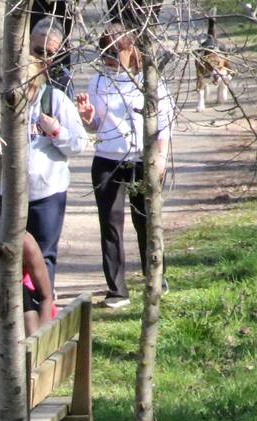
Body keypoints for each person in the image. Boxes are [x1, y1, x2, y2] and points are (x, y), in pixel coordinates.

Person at [75, 28, 173, 307]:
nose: (108, 59)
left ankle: (154, 274)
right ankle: (117, 290)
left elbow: (165, 122)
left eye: (114, 53)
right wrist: (87, 119)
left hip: (144, 160)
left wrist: (161, 157)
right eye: (104, 53)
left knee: (146, 219)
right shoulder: (97, 82)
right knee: (110, 224)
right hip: (107, 160)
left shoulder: (149, 80)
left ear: (130, 50)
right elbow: (95, 126)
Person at [24, 55, 87, 290]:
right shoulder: (4, 103)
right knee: (11, 255)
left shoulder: (54, 100)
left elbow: (79, 144)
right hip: (8, 194)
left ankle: (44, 308)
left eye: (28, 84)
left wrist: (56, 131)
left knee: (43, 255)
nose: (24, 92)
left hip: (47, 193)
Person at [30, 15, 74, 97]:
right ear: (29, 44)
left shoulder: (62, 78)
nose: (44, 58)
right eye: (39, 51)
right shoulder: (15, 71)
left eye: (50, 54)